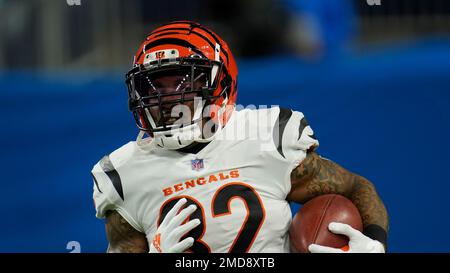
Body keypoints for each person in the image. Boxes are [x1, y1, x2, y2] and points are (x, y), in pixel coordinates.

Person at [92, 21, 388, 253]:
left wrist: (374, 244)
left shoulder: (268, 136)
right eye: (155, 88)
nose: (168, 100)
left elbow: (357, 188)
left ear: (221, 85)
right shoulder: (125, 173)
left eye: (183, 84)